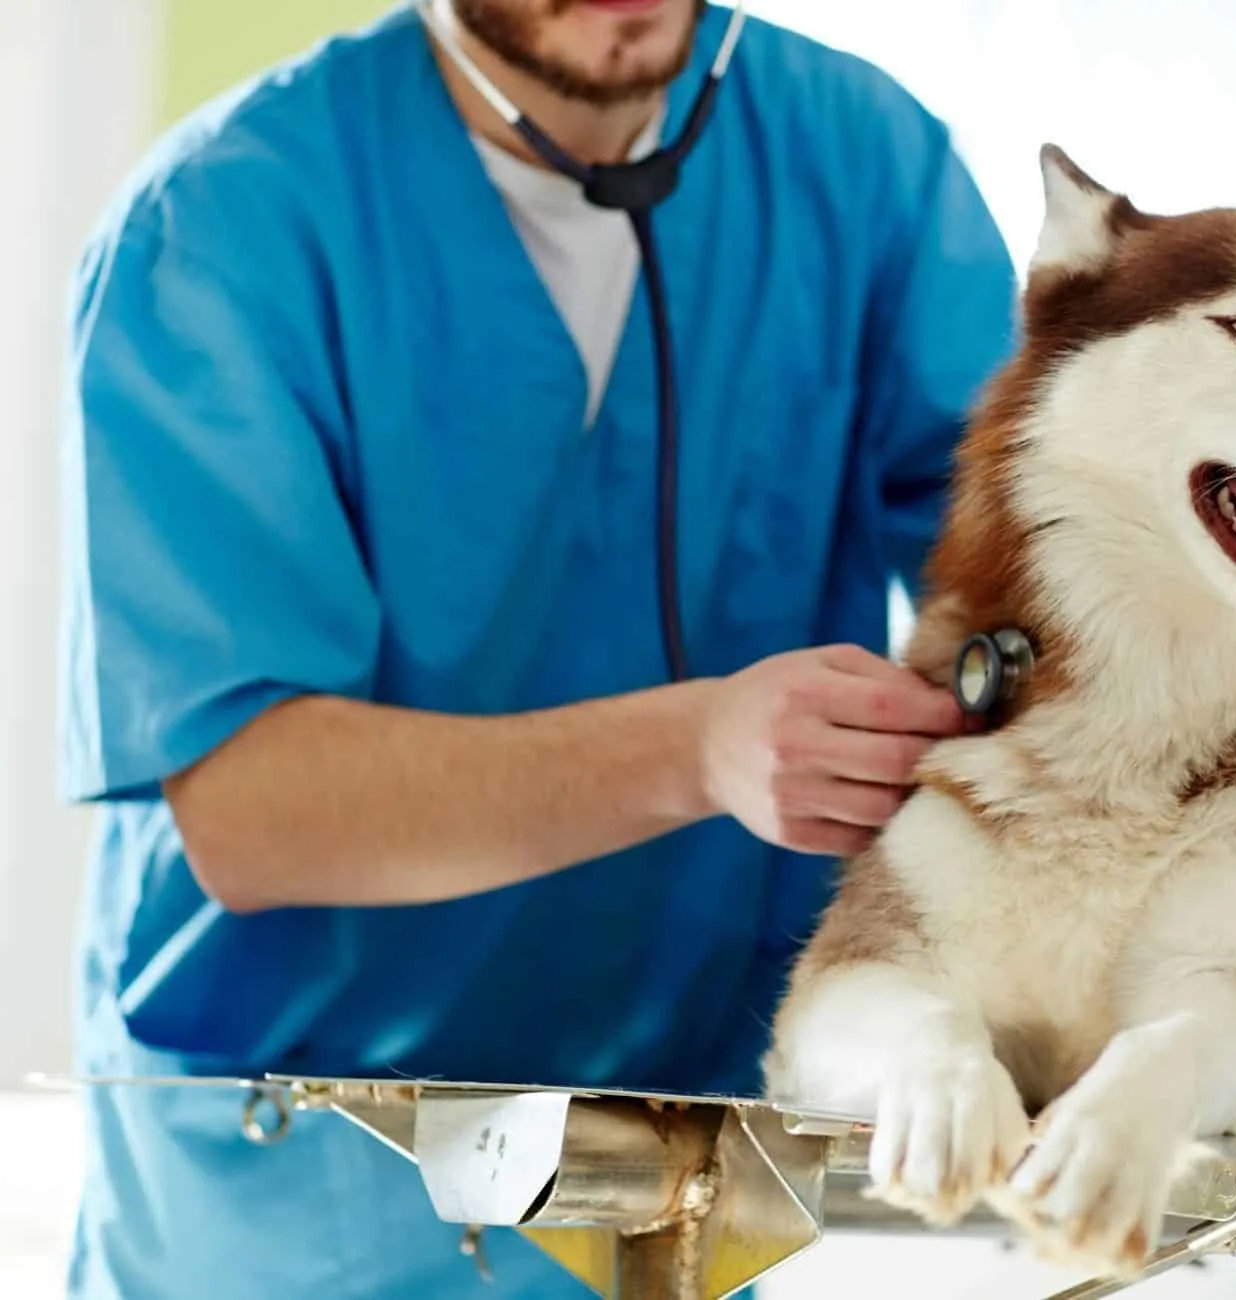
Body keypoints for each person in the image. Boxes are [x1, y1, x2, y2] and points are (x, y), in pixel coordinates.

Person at [55, 0, 1017, 1294]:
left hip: (683, 1171)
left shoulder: (866, 163)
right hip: (309, 1187)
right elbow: (250, 804)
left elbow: (1024, 593)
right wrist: (702, 746)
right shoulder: (223, 227)